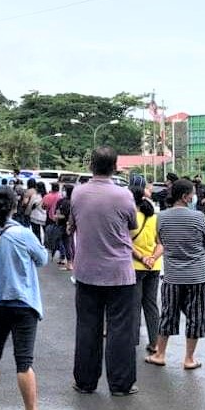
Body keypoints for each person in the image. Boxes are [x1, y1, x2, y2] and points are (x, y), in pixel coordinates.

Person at [0, 186, 57, 410]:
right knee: (24, 360)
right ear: (14, 206)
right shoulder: (23, 234)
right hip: (21, 302)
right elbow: (42, 258)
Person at [70, 147, 139, 396]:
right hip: (119, 273)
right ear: (115, 167)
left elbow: (74, 223)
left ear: (91, 166)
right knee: (120, 330)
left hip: (87, 271)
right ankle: (121, 384)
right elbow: (132, 225)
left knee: (87, 327)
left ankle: (85, 381)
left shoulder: (78, 193)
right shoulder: (124, 195)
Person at [145, 179, 205, 369]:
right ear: (185, 197)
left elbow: (161, 241)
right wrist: (195, 257)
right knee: (195, 317)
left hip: (172, 275)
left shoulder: (161, 217)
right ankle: (189, 359)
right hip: (197, 275)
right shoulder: (198, 217)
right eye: (192, 194)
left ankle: (160, 354)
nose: (194, 197)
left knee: (168, 314)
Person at [128, 177, 163, 354]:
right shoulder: (155, 218)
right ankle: (155, 342)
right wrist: (152, 258)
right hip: (154, 267)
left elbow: (126, 243)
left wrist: (142, 258)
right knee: (151, 305)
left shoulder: (130, 218)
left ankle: (132, 341)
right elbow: (161, 244)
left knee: (134, 304)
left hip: (136, 266)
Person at [55, 186, 74, 271]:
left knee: (66, 244)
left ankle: (69, 264)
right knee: (71, 243)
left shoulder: (64, 202)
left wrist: (56, 217)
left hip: (64, 225)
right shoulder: (74, 201)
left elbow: (61, 214)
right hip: (72, 224)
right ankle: (71, 262)